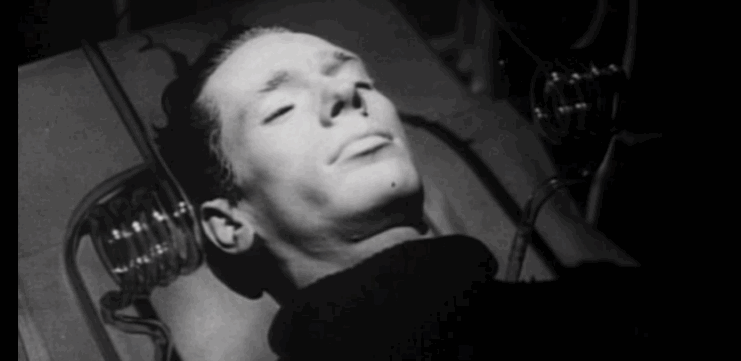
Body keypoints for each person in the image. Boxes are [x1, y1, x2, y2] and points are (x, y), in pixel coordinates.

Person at [154, 25, 653, 360]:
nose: (344, 93)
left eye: (360, 81)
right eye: (281, 109)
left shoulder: (603, 308)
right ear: (230, 223)